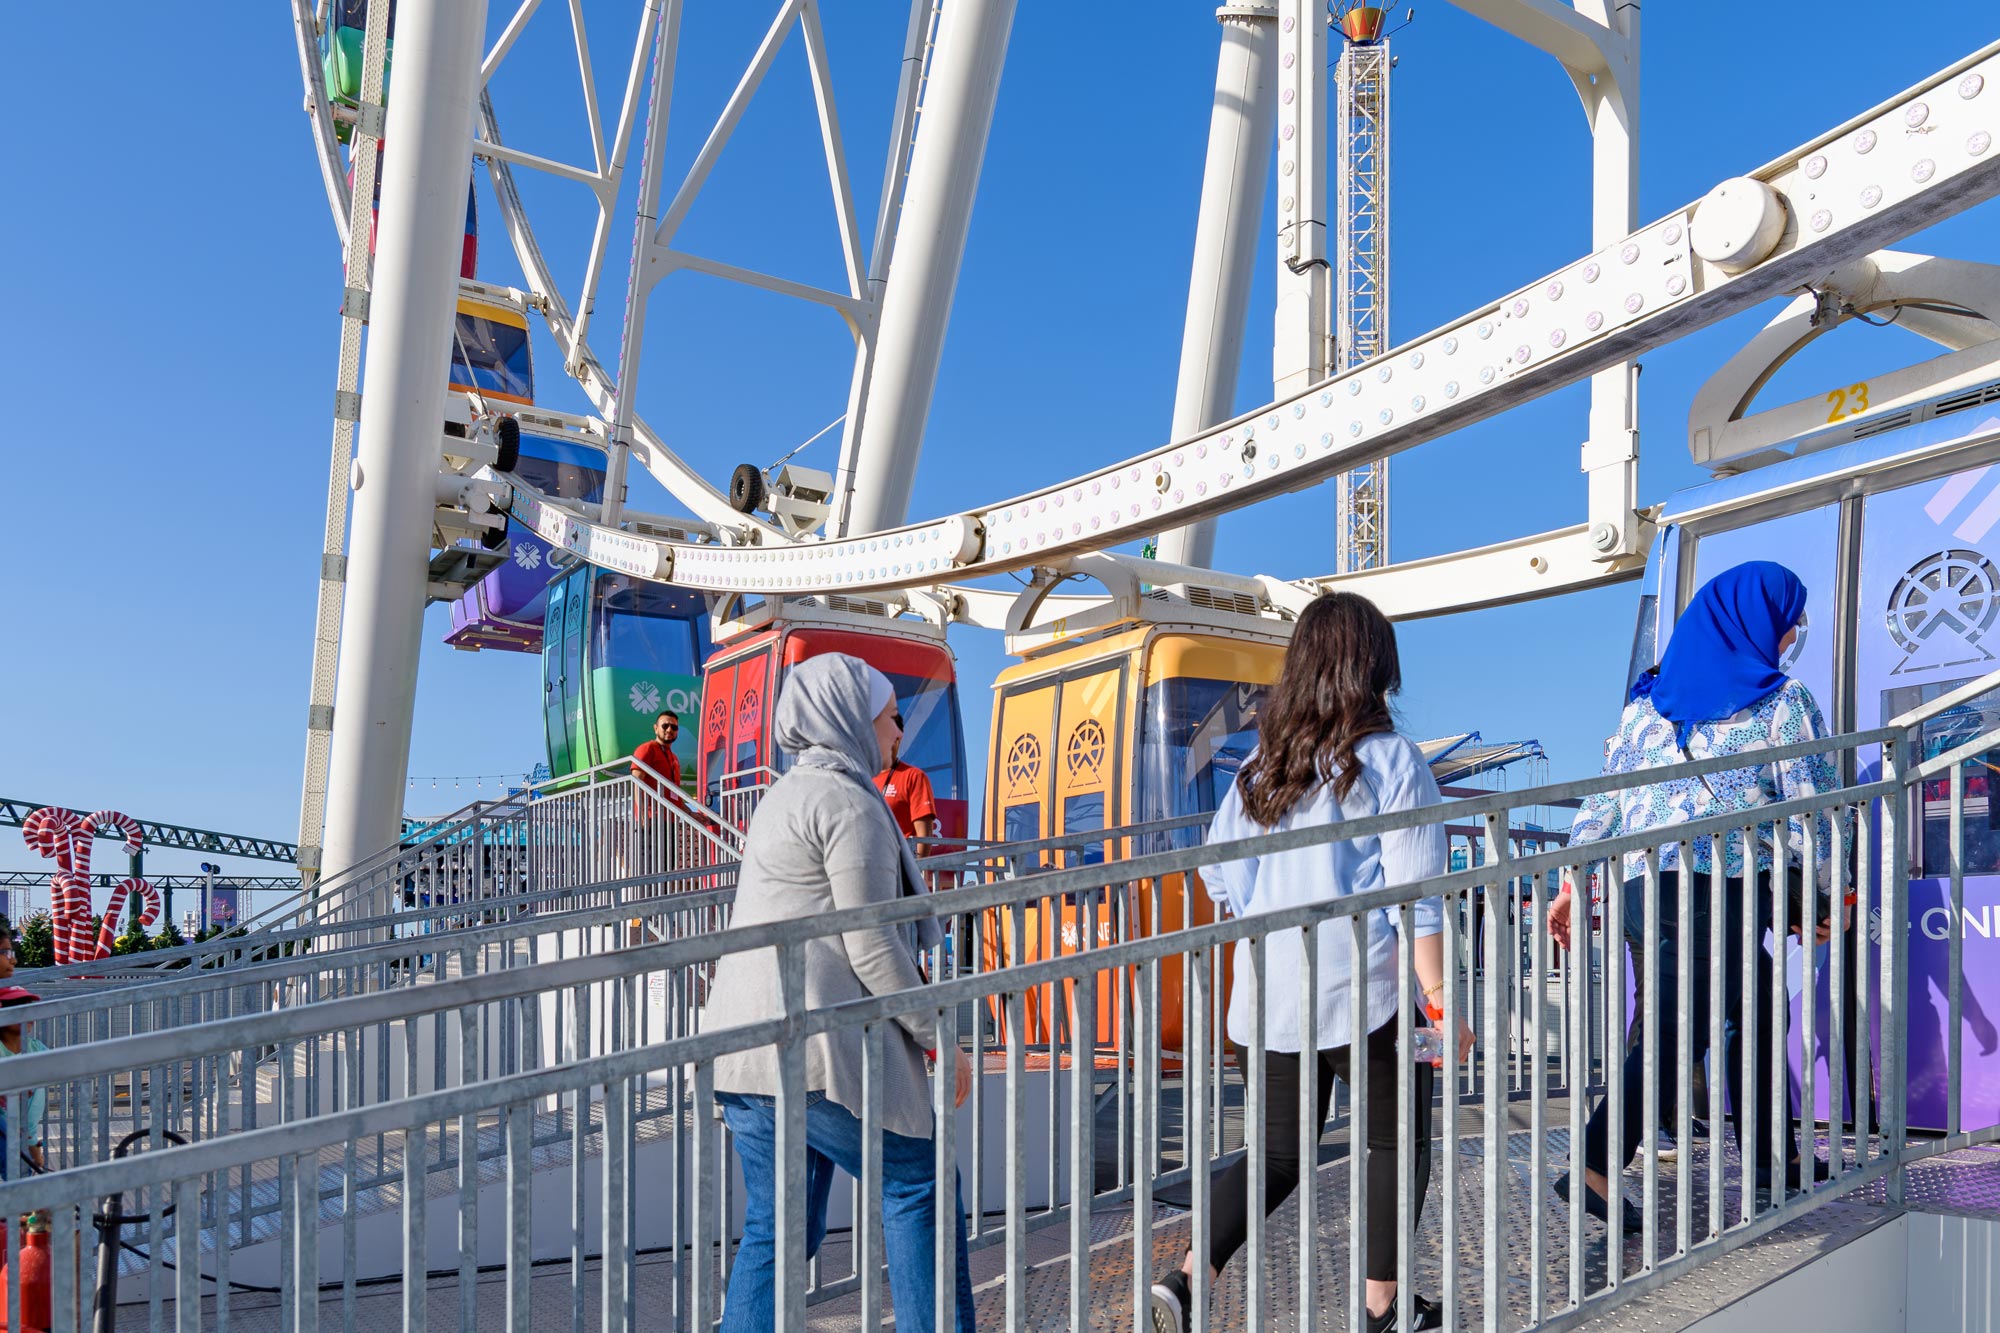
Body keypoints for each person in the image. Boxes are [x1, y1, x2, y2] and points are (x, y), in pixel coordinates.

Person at [1151, 592, 1472, 1333]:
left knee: (1278, 1153)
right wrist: (1440, 995)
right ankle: (1380, 1305)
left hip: (1265, 996)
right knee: (1397, 1138)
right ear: (1371, 667)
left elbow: (1216, 875)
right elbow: (1415, 897)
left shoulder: (1261, 769)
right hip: (1368, 996)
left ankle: (1190, 1274)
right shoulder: (1391, 762)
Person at [1548, 560, 1843, 1231]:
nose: (1794, 633)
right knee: (1681, 1029)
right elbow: (1814, 809)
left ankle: (1776, 1160)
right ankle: (1595, 1160)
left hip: (1642, 887)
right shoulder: (1779, 701)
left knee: (1757, 1009)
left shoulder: (1647, 707)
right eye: (1791, 619)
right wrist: (1826, 899)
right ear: (1759, 621)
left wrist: (1575, 879)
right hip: (1713, 888)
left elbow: (1606, 802)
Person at [700, 654, 976, 1333]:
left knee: (780, 1227)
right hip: (810, 1053)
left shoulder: (783, 794)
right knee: (918, 1183)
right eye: (887, 715)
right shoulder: (850, 803)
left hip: (745, 1051)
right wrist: (942, 1037)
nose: (898, 730)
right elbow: (873, 943)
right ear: (849, 718)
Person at [0, 987, 48, 1174]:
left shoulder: (36, 1050)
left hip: (16, 1134)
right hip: (8, 1132)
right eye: (19, 1007)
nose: (29, 1014)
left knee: (21, 1172)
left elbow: (31, 1114)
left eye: (30, 1007)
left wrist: (33, 1147)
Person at [873, 716, 939, 844]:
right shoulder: (863, 778)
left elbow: (924, 837)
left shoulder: (914, 777)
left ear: (898, 739)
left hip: (900, 861)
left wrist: (919, 864)